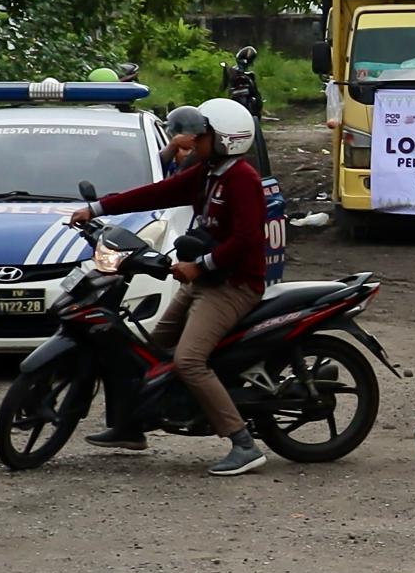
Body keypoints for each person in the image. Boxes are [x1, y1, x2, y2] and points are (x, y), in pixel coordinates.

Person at [67, 98, 272, 479]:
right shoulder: (209, 173)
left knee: (189, 361)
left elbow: (245, 240)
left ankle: (243, 443)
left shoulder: (241, 178)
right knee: (150, 351)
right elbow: (155, 194)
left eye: (201, 136)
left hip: (233, 286)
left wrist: (200, 266)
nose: (192, 142)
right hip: (206, 282)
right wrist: (96, 209)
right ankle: (132, 428)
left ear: (226, 139)